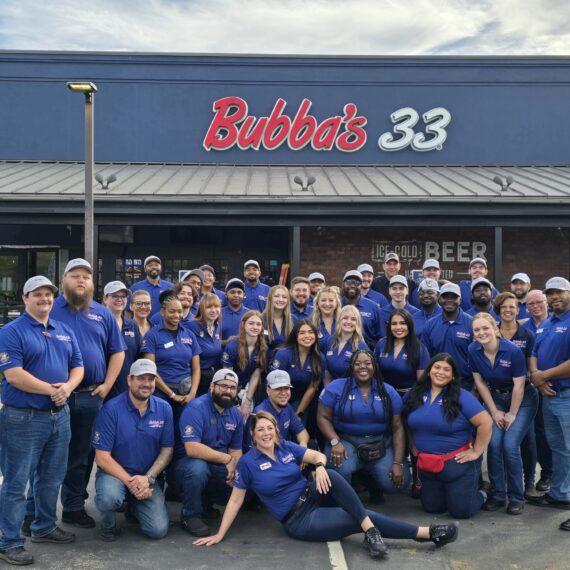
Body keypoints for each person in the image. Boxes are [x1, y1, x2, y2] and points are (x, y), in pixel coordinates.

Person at [193, 411, 459, 557]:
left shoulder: (286, 447)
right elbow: (236, 500)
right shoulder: (247, 464)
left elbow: (318, 455)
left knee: (330, 474)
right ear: (252, 435)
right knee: (359, 517)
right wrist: (220, 535)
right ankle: (426, 533)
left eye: (269, 428)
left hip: (313, 495)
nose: (265, 433)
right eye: (260, 429)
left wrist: (319, 466)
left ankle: (372, 531)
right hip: (299, 519)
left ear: (276, 430)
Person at [0, 276, 84, 566]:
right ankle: (9, 541)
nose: (45, 299)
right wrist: (52, 390)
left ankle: (44, 526)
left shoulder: (63, 330)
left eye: (48, 295)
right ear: (25, 298)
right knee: (16, 481)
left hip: (59, 418)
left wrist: (68, 388)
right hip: (22, 418)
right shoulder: (12, 331)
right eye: (38, 294)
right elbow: (13, 375)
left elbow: (78, 366)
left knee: (50, 478)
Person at [50, 258, 126, 529]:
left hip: (90, 396)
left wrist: (106, 385)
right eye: (75, 275)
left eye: (86, 276)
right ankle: (35, 513)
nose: (81, 280)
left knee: (82, 456)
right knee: (49, 456)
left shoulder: (102, 313)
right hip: (53, 397)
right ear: (63, 281)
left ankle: (72, 507)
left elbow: (118, 352)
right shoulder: (50, 308)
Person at [403, 353, 493, 519]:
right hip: (427, 466)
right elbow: (406, 420)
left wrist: (477, 451)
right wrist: (411, 443)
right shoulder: (413, 394)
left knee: (461, 512)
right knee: (432, 508)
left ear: (452, 376)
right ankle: (452, 494)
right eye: (437, 367)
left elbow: (485, 422)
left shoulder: (462, 396)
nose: (441, 372)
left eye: (446, 369)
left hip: (457, 464)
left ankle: (483, 491)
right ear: (429, 371)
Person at [93, 359, 173, 542]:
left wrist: (148, 478)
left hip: (147, 477)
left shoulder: (164, 409)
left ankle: (134, 507)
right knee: (109, 497)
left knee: (157, 530)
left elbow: (167, 450)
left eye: (151, 379)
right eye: (141, 378)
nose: (146, 384)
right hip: (114, 474)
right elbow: (102, 458)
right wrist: (132, 483)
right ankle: (109, 525)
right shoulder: (111, 409)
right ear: (130, 380)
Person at [469, 313, 538, 515]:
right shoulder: (473, 350)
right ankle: (498, 494)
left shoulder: (512, 351)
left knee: (509, 446)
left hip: (523, 400)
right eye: (477, 330)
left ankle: (517, 497)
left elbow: (519, 386)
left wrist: (512, 414)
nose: (481, 333)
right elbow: (480, 383)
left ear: (495, 329)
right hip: (496, 398)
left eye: (485, 328)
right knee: (493, 444)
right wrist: (494, 411)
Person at [317, 349, 411, 496]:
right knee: (340, 469)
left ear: (374, 366)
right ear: (351, 367)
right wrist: (334, 442)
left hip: (380, 442)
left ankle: (370, 475)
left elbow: (398, 427)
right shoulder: (335, 387)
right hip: (346, 441)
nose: (363, 367)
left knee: (398, 484)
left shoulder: (388, 391)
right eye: (357, 363)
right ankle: (351, 488)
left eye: (367, 363)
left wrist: (397, 462)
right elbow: (322, 417)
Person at [175, 369, 244, 537]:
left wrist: (235, 469)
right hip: (186, 465)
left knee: (242, 481)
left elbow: (236, 450)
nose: (228, 391)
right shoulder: (196, 408)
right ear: (212, 387)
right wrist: (227, 459)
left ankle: (206, 505)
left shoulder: (235, 414)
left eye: (232, 388)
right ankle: (189, 515)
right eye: (223, 386)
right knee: (199, 469)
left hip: (218, 463)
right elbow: (192, 448)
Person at [527, 277, 570, 511]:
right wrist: (536, 375)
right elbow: (534, 352)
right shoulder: (546, 323)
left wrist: (545, 376)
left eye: (559, 292)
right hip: (548, 394)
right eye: (550, 293)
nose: (555, 297)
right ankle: (559, 494)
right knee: (558, 448)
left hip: (566, 395)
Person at [494, 291, 539, 497]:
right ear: (498, 310)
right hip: (497, 394)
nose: (508, 310)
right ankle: (502, 484)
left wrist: (536, 379)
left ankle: (528, 480)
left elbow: (531, 366)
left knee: (526, 438)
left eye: (512, 306)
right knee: (498, 443)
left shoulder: (527, 335)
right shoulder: (491, 331)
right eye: (504, 307)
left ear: (518, 309)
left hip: (522, 394)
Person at [141, 291, 202, 408]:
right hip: (161, 393)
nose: (176, 315)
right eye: (171, 311)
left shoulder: (189, 335)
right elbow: (150, 369)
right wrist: (172, 395)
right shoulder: (152, 336)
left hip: (187, 393)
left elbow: (196, 368)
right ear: (162, 312)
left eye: (179, 311)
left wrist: (192, 393)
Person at [520, 289, 553, 492]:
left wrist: (544, 378)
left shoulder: (555, 323)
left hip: (551, 387)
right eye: (530, 304)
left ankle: (548, 474)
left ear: (546, 302)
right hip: (529, 388)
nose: (534, 306)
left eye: (538, 302)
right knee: (529, 434)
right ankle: (530, 477)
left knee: (547, 434)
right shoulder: (523, 327)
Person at [269, 319, 325, 433]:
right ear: (295, 336)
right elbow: (273, 386)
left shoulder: (320, 358)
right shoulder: (283, 354)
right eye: (302, 333)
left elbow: (312, 387)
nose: (307, 336)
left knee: (297, 432)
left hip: (300, 401)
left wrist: (298, 413)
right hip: (277, 397)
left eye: (310, 332)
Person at [422, 283, 475, 391]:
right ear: (439, 300)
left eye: (454, 297)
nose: (449, 300)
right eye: (446, 297)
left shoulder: (472, 323)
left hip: (465, 384)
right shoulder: (430, 324)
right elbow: (425, 357)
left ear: (460, 300)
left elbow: (478, 358)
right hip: (437, 382)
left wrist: (475, 389)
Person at [221, 310, 266, 418]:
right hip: (229, 388)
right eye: (251, 323)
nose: (255, 327)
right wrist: (235, 402)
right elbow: (228, 376)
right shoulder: (232, 346)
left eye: (258, 324)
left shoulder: (263, 348)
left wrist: (247, 402)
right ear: (243, 324)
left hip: (248, 389)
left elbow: (256, 375)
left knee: (247, 417)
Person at [248, 370, 309, 449]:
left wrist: (302, 446)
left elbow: (302, 432)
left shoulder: (287, 407)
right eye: (278, 389)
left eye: (286, 388)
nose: (283, 393)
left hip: (282, 453)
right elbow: (255, 450)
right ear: (268, 390)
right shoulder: (260, 414)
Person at [374, 309, 429, 396]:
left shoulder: (420, 349)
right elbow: (374, 373)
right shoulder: (381, 344)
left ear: (409, 325)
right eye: (394, 324)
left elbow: (422, 384)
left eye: (403, 323)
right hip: (383, 395)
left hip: (408, 397)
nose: (398, 327)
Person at [102, 281, 141, 399]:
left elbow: (138, 355)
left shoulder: (132, 325)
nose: (120, 299)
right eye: (115, 296)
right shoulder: (98, 324)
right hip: (102, 389)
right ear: (105, 298)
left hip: (126, 388)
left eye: (123, 296)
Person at [323, 305, 368, 385]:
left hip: (352, 391)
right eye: (345, 318)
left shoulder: (361, 346)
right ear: (339, 320)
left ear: (357, 323)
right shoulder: (330, 341)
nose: (349, 322)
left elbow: (364, 377)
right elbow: (326, 370)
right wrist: (328, 389)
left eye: (353, 319)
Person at [188, 293, 223, 395]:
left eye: (216, 307)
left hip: (213, 376)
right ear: (202, 308)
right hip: (198, 380)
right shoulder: (192, 326)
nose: (213, 310)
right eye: (209, 307)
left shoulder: (217, 326)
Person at [341, 270, 382, 349]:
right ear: (343, 284)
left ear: (361, 285)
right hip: (340, 353)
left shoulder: (373, 307)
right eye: (349, 282)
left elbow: (380, 337)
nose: (352, 285)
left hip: (366, 354)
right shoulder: (336, 305)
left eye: (357, 282)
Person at [262, 285, 293, 353]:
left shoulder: (294, 320)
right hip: (266, 361)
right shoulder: (261, 319)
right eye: (276, 296)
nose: (280, 300)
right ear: (270, 298)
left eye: (284, 297)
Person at [311, 285, 341, 351]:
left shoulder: (344, 321)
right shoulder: (310, 322)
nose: (327, 304)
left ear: (336, 303)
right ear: (317, 303)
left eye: (331, 300)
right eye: (323, 300)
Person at [221, 278, 248, 345]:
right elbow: (212, 342)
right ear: (226, 295)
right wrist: (226, 342)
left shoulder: (250, 315)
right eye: (232, 292)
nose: (236, 295)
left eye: (239, 292)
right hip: (222, 354)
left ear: (244, 295)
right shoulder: (217, 314)